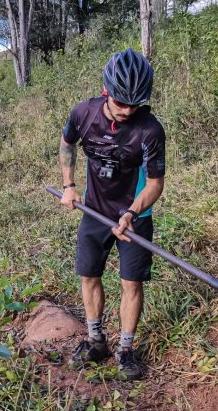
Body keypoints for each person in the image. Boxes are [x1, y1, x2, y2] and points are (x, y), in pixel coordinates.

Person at [58, 48, 166, 380]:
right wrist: (69, 185)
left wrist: (132, 212)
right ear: (107, 91)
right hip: (95, 211)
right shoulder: (82, 114)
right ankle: (95, 340)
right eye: (121, 102)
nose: (127, 110)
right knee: (89, 276)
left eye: (135, 104)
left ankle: (126, 349)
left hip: (135, 217)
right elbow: (67, 144)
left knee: (130, 283)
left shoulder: (149, 130)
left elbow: (155, 183)